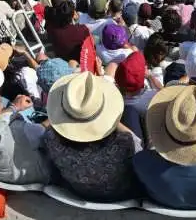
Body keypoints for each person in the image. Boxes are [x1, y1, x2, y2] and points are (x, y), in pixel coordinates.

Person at [43, 71, 141, 202]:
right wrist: (110, 119)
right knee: (130, 112)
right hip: (119, 195)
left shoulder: (50, 138)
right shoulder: (124, 142)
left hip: (76, 192)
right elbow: (139, 147)